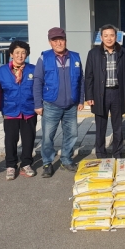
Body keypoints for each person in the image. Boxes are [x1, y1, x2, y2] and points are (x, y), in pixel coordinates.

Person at [33, 27, 84, 178]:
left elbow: (81, 80)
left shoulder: (75, 57)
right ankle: (47, 163)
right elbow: (37, 81)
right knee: (48, 136)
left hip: (71, 105)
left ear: (65, 40)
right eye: (54, 40)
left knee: (72, 134)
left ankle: (66, 160)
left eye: (61, 39)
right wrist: (38, 104)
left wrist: (81, 99)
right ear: (50, 42)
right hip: (51, 104)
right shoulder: (44, 58)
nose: (58, 43)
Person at [85, 24, 125, 159]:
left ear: (116, 37)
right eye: (106, 36)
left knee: (118, 126)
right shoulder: (93, 54)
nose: (109, 38)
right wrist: (89, 95)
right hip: (100, 94)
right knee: (100, 126)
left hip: (117, 93)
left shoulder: (123, 53)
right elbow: (88, 76)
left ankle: (117, 153)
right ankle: (100, 153)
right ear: (101, 37)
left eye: (112, 35)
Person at [0, 40, 37, 180]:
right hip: (10, 110)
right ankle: (11, 165)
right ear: (11, 54)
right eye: (17, 52)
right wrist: (0, 106)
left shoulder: (33, 69)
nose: (20, 55)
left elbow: (38, 89)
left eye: (23, 53)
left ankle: (26, 163)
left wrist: (38, 105)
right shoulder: (2, 71)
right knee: (10, 139)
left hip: (28, 110)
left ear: (27, 55)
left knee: (28, 139)